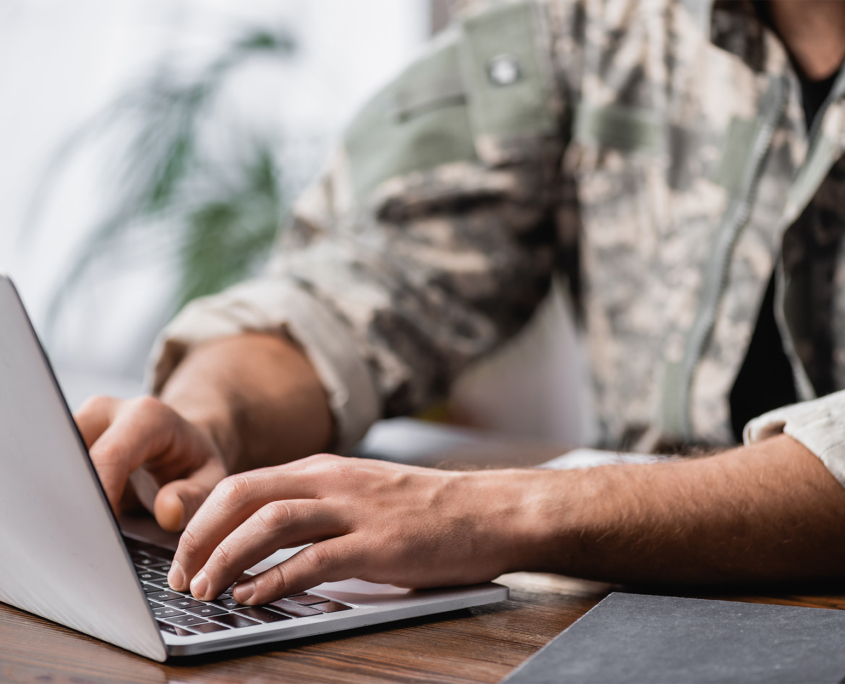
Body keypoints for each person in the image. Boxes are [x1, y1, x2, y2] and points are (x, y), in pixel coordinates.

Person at [76, 0, 845, 607]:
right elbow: (370, 276)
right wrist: (213, 415)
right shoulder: (585, 18)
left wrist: (493, 514)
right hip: (615, 613)